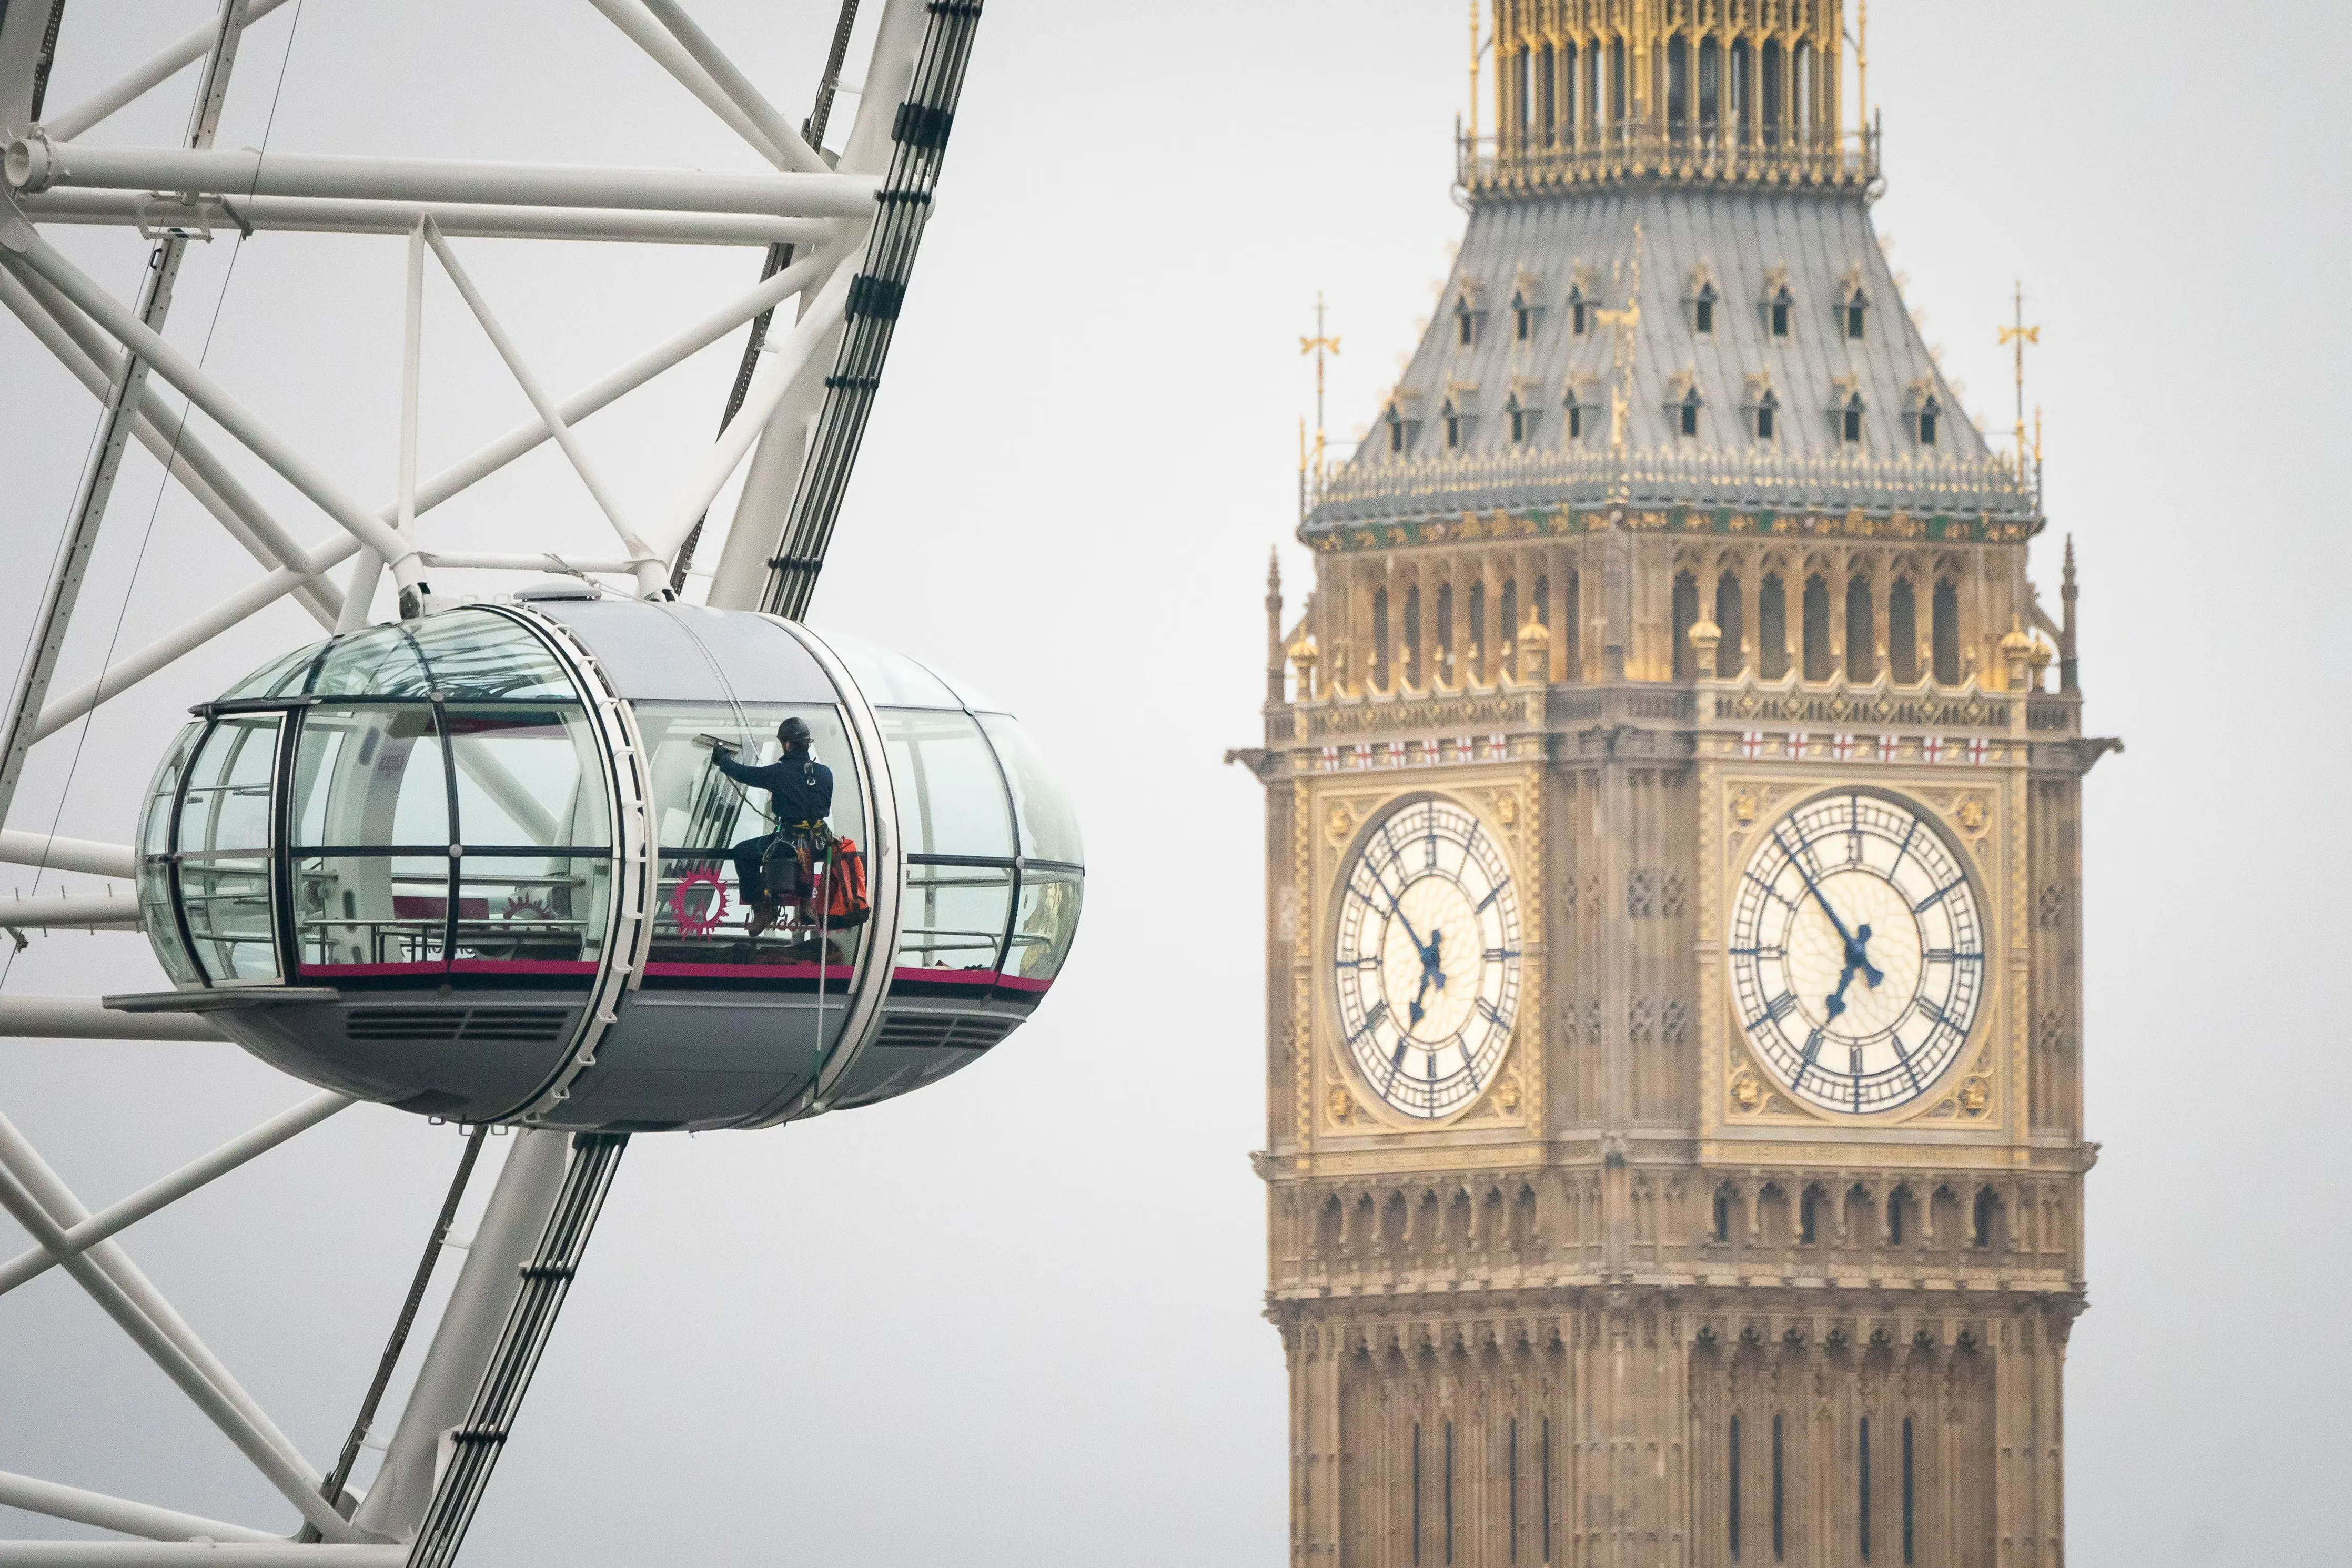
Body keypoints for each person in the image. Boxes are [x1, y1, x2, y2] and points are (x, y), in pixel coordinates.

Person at [713, 717, 834, 937]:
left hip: (789, 844)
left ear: (787, 744)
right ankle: (806, 904)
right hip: (820, 844)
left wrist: (723, 760)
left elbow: (746, 774)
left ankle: (762, 908)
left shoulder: (780, 772)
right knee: (804, 850)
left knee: (743, 852)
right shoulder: (825, 773)